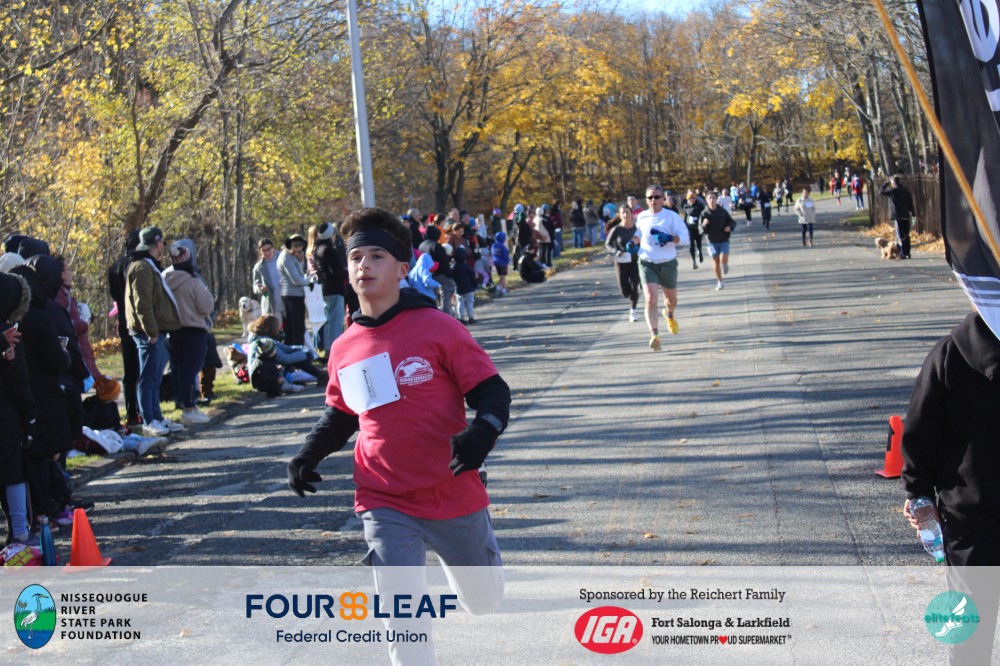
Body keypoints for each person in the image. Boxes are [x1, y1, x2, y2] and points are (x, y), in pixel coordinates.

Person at [287, 207, 510, 666]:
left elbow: (492, 392)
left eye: (377, 256)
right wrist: (308, 454)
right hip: (383, 496)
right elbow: (342, 415)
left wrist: (480, 435)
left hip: (451, 488)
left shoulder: (438, 328)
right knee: (402, 618)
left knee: (483, 602)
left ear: (402, 268)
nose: (364, 266)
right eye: (356, 258)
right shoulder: (345, 346)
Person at [125, 227, 183, 437]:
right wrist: (151, 332)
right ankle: (148, 420)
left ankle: (157, 417)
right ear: (157, 244)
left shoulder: (148, 265)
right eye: (162, 243)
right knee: (148, 377)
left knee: (155, 377)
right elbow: (142, 304)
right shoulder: (142, 267)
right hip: (148, 332)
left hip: (156, 330)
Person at [0, 271, 36, 545]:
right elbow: (19, 382)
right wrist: (29, 414)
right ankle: (21, 531)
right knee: (13, 471)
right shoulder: (8, 333)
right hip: (7, 415)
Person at [633, 184, 689, 351]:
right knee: (650, 298)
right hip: (647, 262)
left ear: (663, 199)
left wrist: (670, 238)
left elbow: (685, 238)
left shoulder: (671, 217)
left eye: (657, 197)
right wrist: (632, 242)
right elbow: (639, 233)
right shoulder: (642, 216)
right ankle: (654, 335)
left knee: (671, 301)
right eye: (650, 197)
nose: (653, 200)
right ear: (646, 200)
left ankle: (669, 314)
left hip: (667, 263)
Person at [163, 240, 213, 426]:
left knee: (178, 369)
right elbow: (206, 306)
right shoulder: (193, 282)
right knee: (191, 370)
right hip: (194, 330)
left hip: (174, 331)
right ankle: (190, 408)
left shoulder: (164, 279)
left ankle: (184, 403)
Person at [108, 231, 141, 427]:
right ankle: (143, 410)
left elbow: (114, 295)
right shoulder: (137, 265)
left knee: (130, 370)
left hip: (123, 320)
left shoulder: (115, 266)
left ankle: (131, 412)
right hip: (138, 322)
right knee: (143, 369)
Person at [312, 222, 348, 357]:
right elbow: (336, 270)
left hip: (325, 288)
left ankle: (328, 348)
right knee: (335, 321)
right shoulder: (329, 250)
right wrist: (347, 271)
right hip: (334, 288)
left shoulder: (318, 249)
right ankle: (333, 349)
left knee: (329, 319)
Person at [605, 205, 641, 322]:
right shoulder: (617, 229)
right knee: (625, 292)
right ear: (620, 215)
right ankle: (632, 296)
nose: (625, 215)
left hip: (635, 260)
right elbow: (607, 244)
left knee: (634, 285)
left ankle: (633, 311)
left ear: (631, 214)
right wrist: (616, 251)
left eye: (627, 212)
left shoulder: (637, 228)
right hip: (621, 261)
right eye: (623, 213)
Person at [277, 234, 311, 346]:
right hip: (292, 295)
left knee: (293, 326)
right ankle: (297, 349)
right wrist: (309, 282)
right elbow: (296, 279)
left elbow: (300, 274)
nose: (299, 251)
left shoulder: (294, 257)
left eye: (300, 248)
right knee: (297, 327)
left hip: (296, 295)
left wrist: (300, 261)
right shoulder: (286, 258)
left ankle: (293, 349)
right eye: (297, 248)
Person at [700, 191, 736, 290]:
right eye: (710, 198)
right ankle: (720, 281)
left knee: (723, 258)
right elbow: (700, 229)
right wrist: (704, 224)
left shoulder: (722, 211)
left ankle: (724, 264)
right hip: (711, 241)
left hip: (723, 239)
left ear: (716, 200)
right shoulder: (704, 213)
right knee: (715, 261)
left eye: (713, 198)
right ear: (706, 201)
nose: (712, 200)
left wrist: (729, 227)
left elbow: (732, 222)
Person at [418, 226, 456, 318]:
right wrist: (450, 276)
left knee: (432, 296)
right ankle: (447, 316)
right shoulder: (436, 246)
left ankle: (434, 316)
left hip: (426, 275)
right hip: (441, 274)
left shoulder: (421, 246)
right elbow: (444, 263)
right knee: (446, 294)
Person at [880, 176, 916, 259]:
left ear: (893, 183)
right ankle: (907, 253)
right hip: (906, 216)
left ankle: (902, 253)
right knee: (906, 235)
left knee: (900, 235)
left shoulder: (893, 191)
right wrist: (914, 218)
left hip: (897, 216)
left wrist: (885, 184)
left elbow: (881, 192)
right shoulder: (906, 191)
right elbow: (911, 205)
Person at [252, 239, 283, 327]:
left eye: (268, 249)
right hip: (270, 303)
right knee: (272, 330)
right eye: (263, 250)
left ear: (273, 247)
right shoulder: (259, 267)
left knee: (290, 330)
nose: (267, 252)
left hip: (286, 300)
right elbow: (255, 286)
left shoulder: (283, 259)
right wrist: (260, 288)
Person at [453, 246, 478, 325]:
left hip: (458, 288)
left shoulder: (454, 266)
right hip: (469, 288)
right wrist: (475, 285)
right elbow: (472, 276)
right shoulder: (466, 266)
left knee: (460, 303)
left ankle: (462, 318)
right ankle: (471, 317)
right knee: (470, 303)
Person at [681, 191, 705, 270]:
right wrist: (684, 226)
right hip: (690, 228)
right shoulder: (686, 206)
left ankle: (700, 252)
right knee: (691, 245)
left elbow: (703, 215)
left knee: (698, 243)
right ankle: (694, 261)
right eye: (690, 198)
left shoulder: (700, 206)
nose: (692, 200)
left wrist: (702, 223)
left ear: (695, 198)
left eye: (693, 198)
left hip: (698, 228)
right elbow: (685, 217)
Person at [491, 231, 510, 295]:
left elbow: (492, 253)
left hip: (496, 262)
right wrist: (507, 261)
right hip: (503, 263)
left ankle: (500, 288)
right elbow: (505, 254)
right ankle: (501, 289)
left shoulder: (493, 245)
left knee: (502, 276)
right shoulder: (502, 246)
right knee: (503, 276)